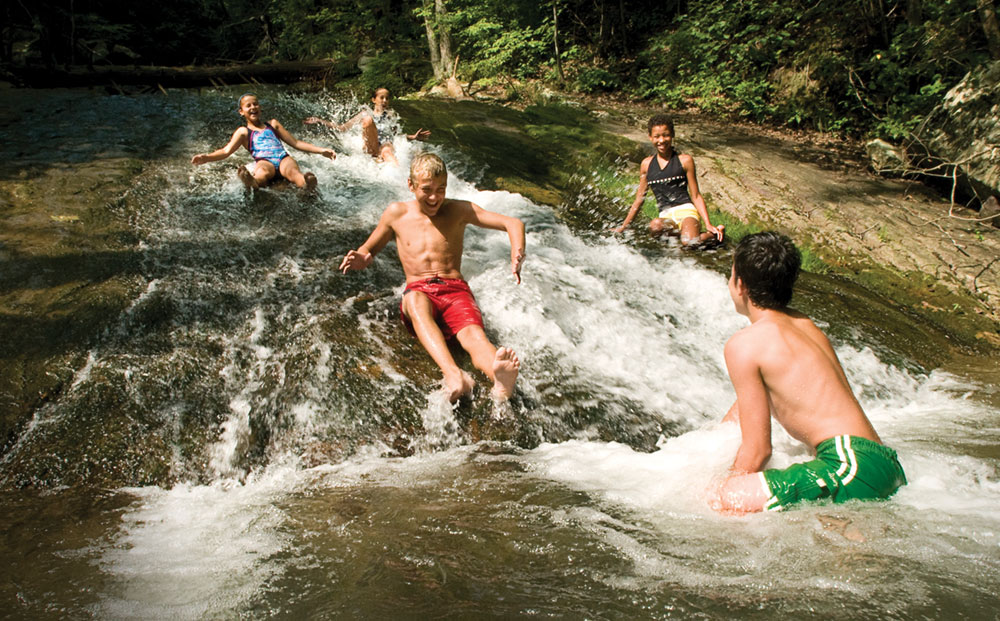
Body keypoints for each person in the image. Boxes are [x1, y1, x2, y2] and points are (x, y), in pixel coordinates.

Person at [713, 232, 906, 513]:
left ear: (739, 283)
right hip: (879, 463)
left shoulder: (744, 344)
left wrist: (725, 486)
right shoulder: (803, 324)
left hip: (848, 465)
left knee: (725, 498)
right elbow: (748, 407)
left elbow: (758, 451)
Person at [340, 153, 525, 402]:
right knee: (415, 300)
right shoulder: (396, 214)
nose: (435, 197)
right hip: (419, 290)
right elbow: (368, 249)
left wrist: (517, 251)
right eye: (426, 190)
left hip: (455, 290)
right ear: (410, 185)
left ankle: (499, 377)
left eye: (441, 189)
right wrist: (362, 258)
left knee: (474, 336)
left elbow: (513, 223)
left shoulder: (459, 210)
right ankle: (454, 374)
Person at [613, 114, 723, 248]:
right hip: (666, 216)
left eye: (666, 135)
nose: (661, 140)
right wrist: (624, 227)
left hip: (687, 212)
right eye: (656, 136)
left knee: (689, 243)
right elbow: (639, 199)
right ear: (650, 137)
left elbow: (696, 195)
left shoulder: (685, 160)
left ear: (672, 135)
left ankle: (715, 235)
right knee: (655, 226)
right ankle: (685, 234)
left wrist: (708, 223)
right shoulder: (646, 165)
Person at [191, 93, 336, 191]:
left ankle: (306, 183)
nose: (253, 107)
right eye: (248, 106)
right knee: (262, 172)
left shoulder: (273, 124)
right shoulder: (243, 132)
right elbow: (225, 151)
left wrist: (321, 150)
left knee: (293, 171)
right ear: (241, 111)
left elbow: (296, 143)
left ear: (260, 107)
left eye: (255, 104)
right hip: (264, 160)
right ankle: (252, 181)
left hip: (283, 158)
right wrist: (206, 158)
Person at [304, 87, 430, 167]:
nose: (385, 101)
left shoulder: (391, 115)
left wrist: (413, 137)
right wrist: (320, 120)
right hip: (371, 145)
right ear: (374, 99)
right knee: (368, 120)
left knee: (387, 151)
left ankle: (399, 179)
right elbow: (342, 128)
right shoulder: (365, 113)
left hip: (386, 145)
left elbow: (395, 135)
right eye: (381, 98)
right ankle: (376, 158)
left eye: (387, 98)